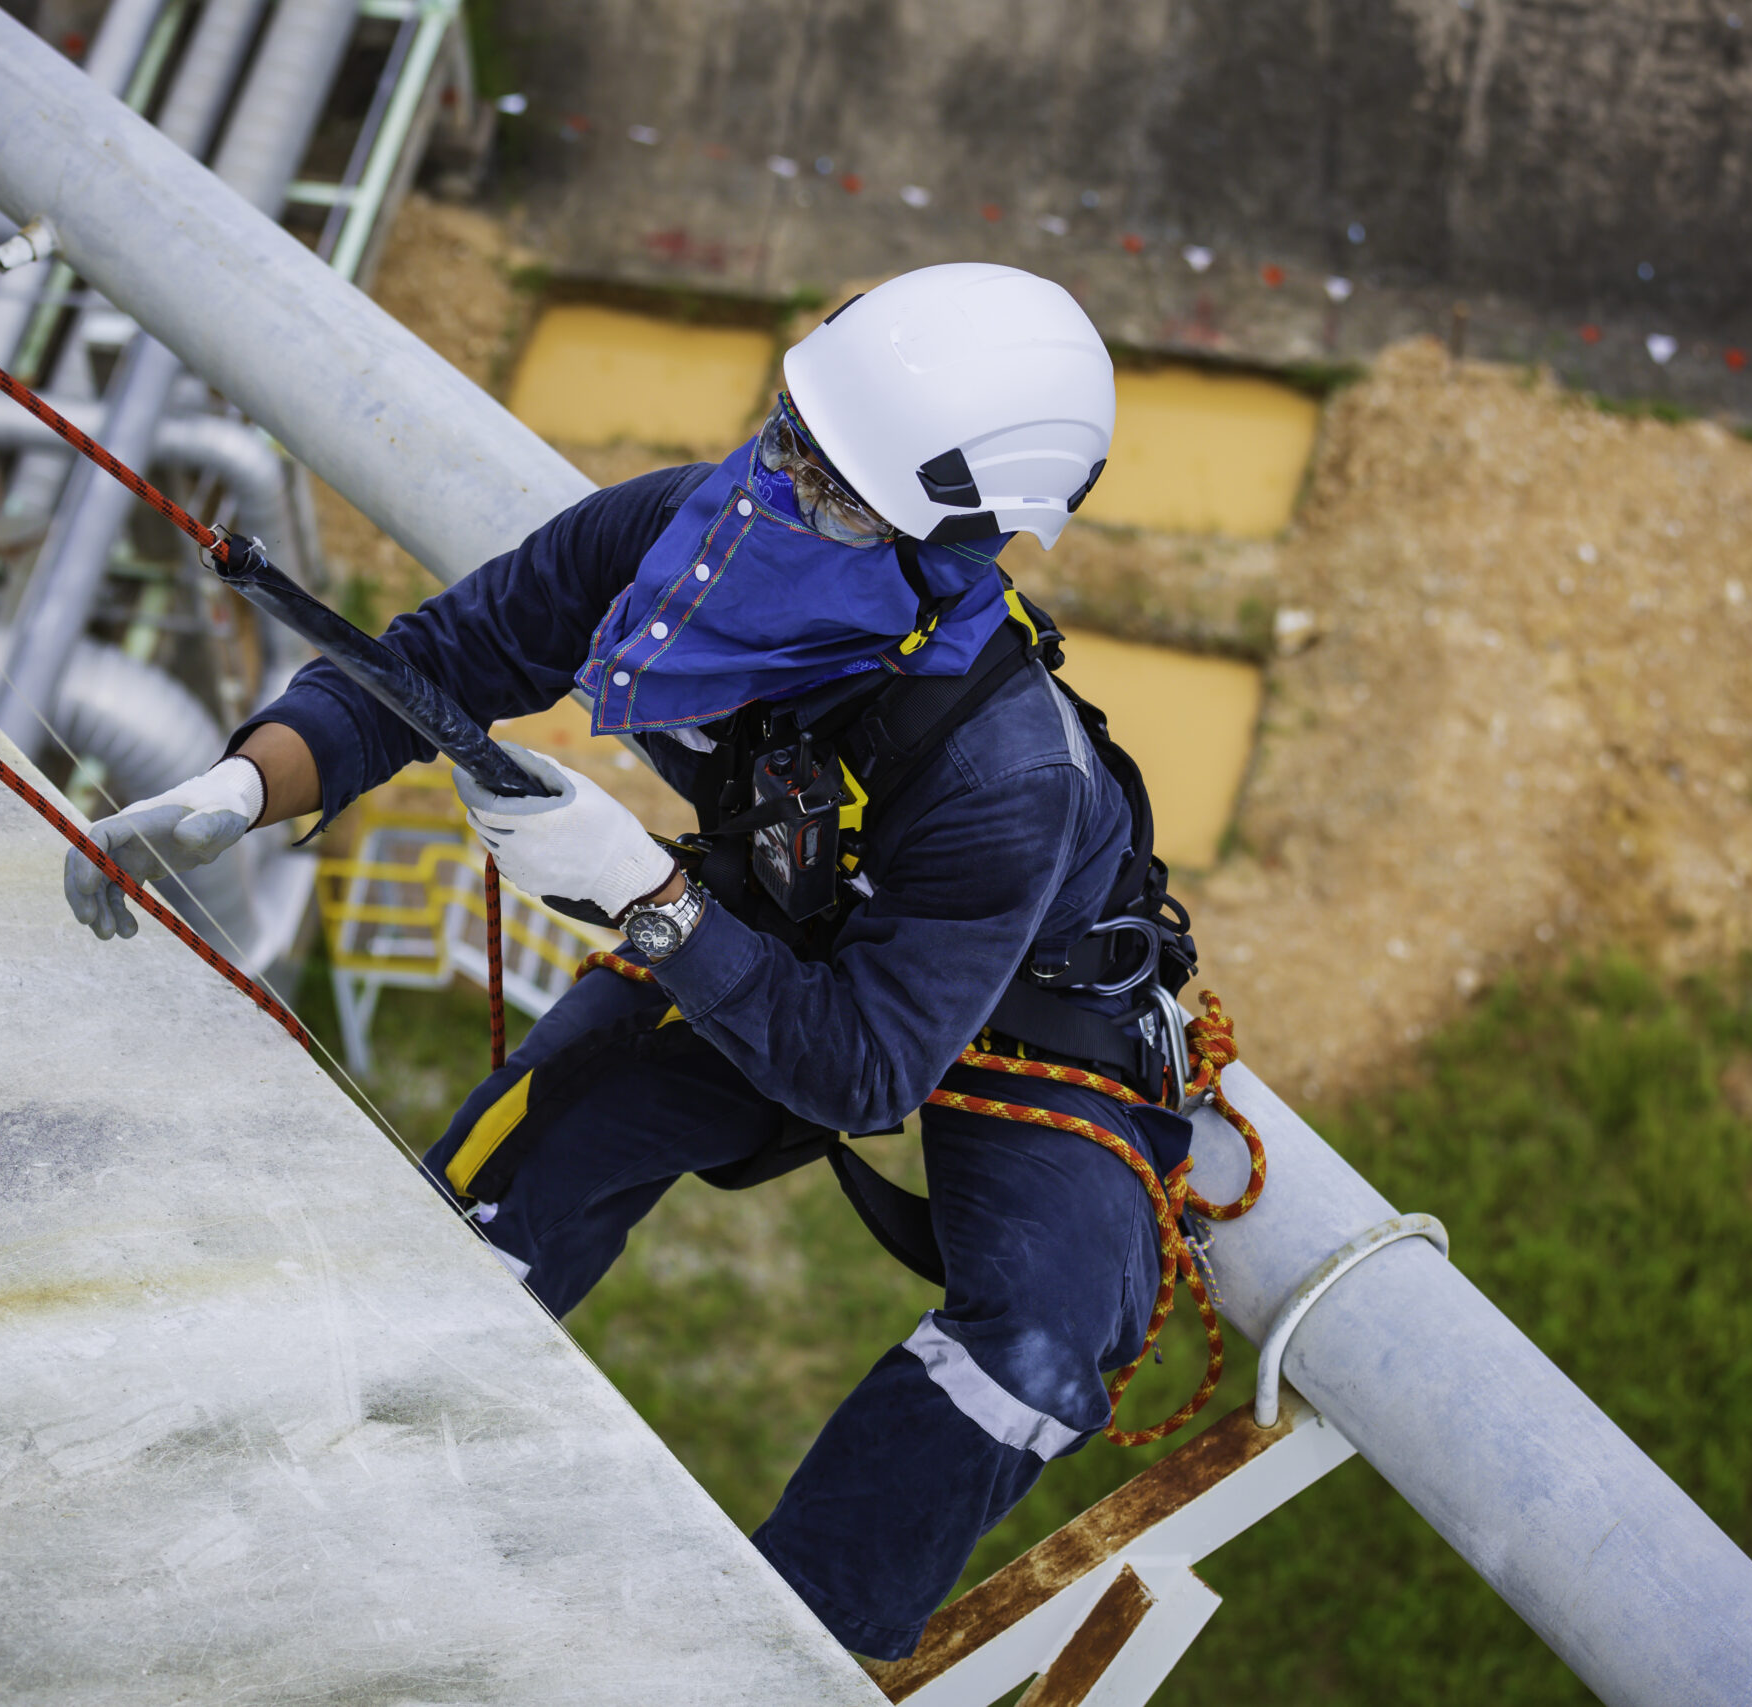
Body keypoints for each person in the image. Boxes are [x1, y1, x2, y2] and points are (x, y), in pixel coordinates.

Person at [63, 263, 1201, 1660]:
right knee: (526, 1153)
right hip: (784, 935)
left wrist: (644, 892)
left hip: (1032, 1017)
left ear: (952, 551)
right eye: (787, 436)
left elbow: (862, 1065)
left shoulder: (998, 771)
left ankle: (776, 1658)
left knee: (1038, 1337)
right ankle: (353, 1451)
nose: (775, 496)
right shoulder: (675, 530)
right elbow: (449, 656)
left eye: (837, 493)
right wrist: (246, 786)